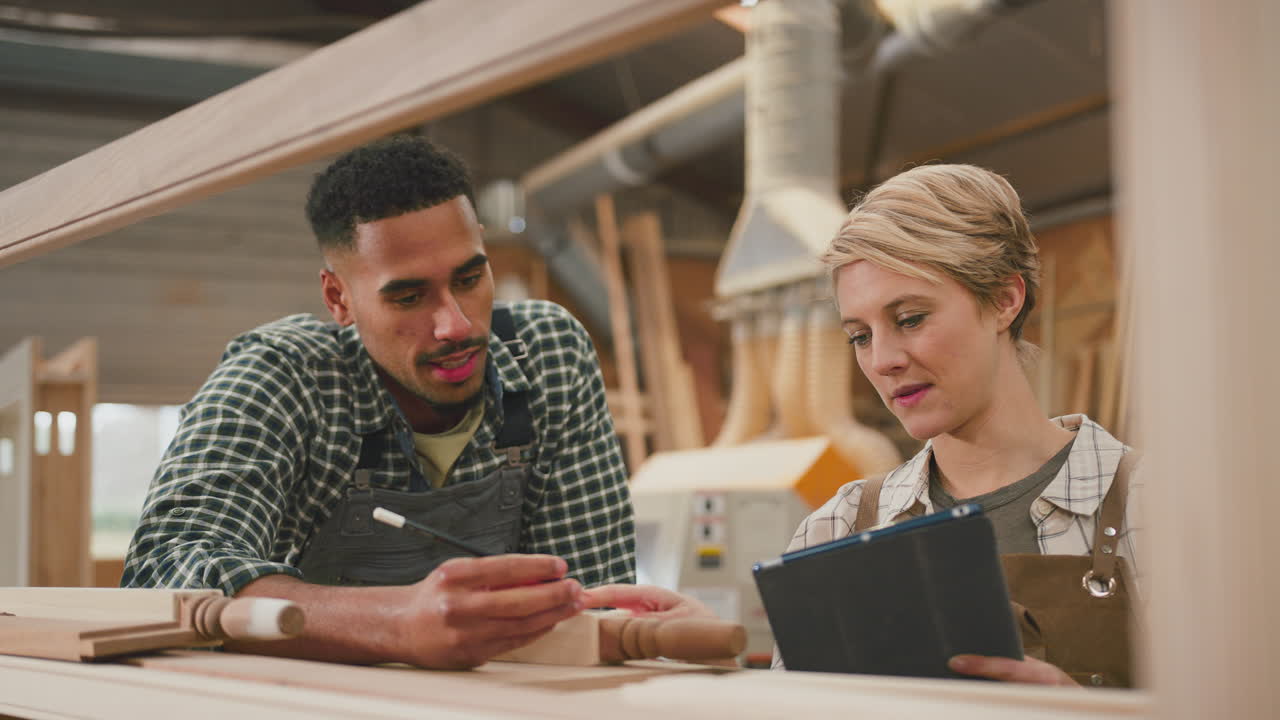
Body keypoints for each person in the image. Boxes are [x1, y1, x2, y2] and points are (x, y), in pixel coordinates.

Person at [589, 164, 1141, 688]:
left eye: (909, 319)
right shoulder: (840, 528)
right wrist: (721, 666)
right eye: (860, 335)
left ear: (1004, 300)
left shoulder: (1150, 507)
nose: (882, 360)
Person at [122, 135, 636, 670]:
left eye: (469, 277)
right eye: (409, 297)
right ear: (338, 298)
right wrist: (395, 623)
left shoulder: (547, 357)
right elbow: (163, 575)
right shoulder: (282, 378)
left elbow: (593, 601)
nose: (455, 325)